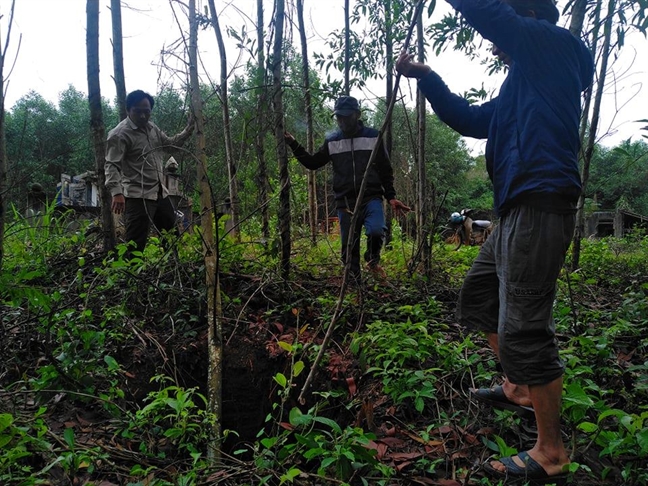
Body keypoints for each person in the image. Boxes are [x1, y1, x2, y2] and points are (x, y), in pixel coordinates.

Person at [396, 0, 593, 482]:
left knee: (525, 327)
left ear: (527, 17)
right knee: (480, 296)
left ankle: (551, 452)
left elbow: (492, 16)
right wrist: (427, 77)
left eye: (506, 27)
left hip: (540, 202)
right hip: (512, 212)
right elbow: (469, 120)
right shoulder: (523, 84)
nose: (493, 42)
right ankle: (518, 387)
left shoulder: (555, 46)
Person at [285, 95, 410, 281]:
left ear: (357, 115)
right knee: (348, 248)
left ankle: (372, 260)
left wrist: (391, 196)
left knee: (376, 231)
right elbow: (313, 163)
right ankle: (354, 285)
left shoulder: (373, 136)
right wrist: (294, 144)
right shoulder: (333, 141)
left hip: (371, 198)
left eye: (347, 116)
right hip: (345, 202)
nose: (342, 121)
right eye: (339, 117)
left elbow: (385, 169)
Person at [105, 90, 194, 256]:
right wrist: (116, 193)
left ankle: (174, 270)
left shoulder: (152, 128)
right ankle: (129, 277)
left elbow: (169, 146)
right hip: (137, 195)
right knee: (136, 242)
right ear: (128, 110)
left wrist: (189, 129)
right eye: (137, 111)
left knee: (171, 233)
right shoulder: (119, 134)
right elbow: (111, 165)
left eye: (146, 111)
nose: (143, 116)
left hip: (159, 192)